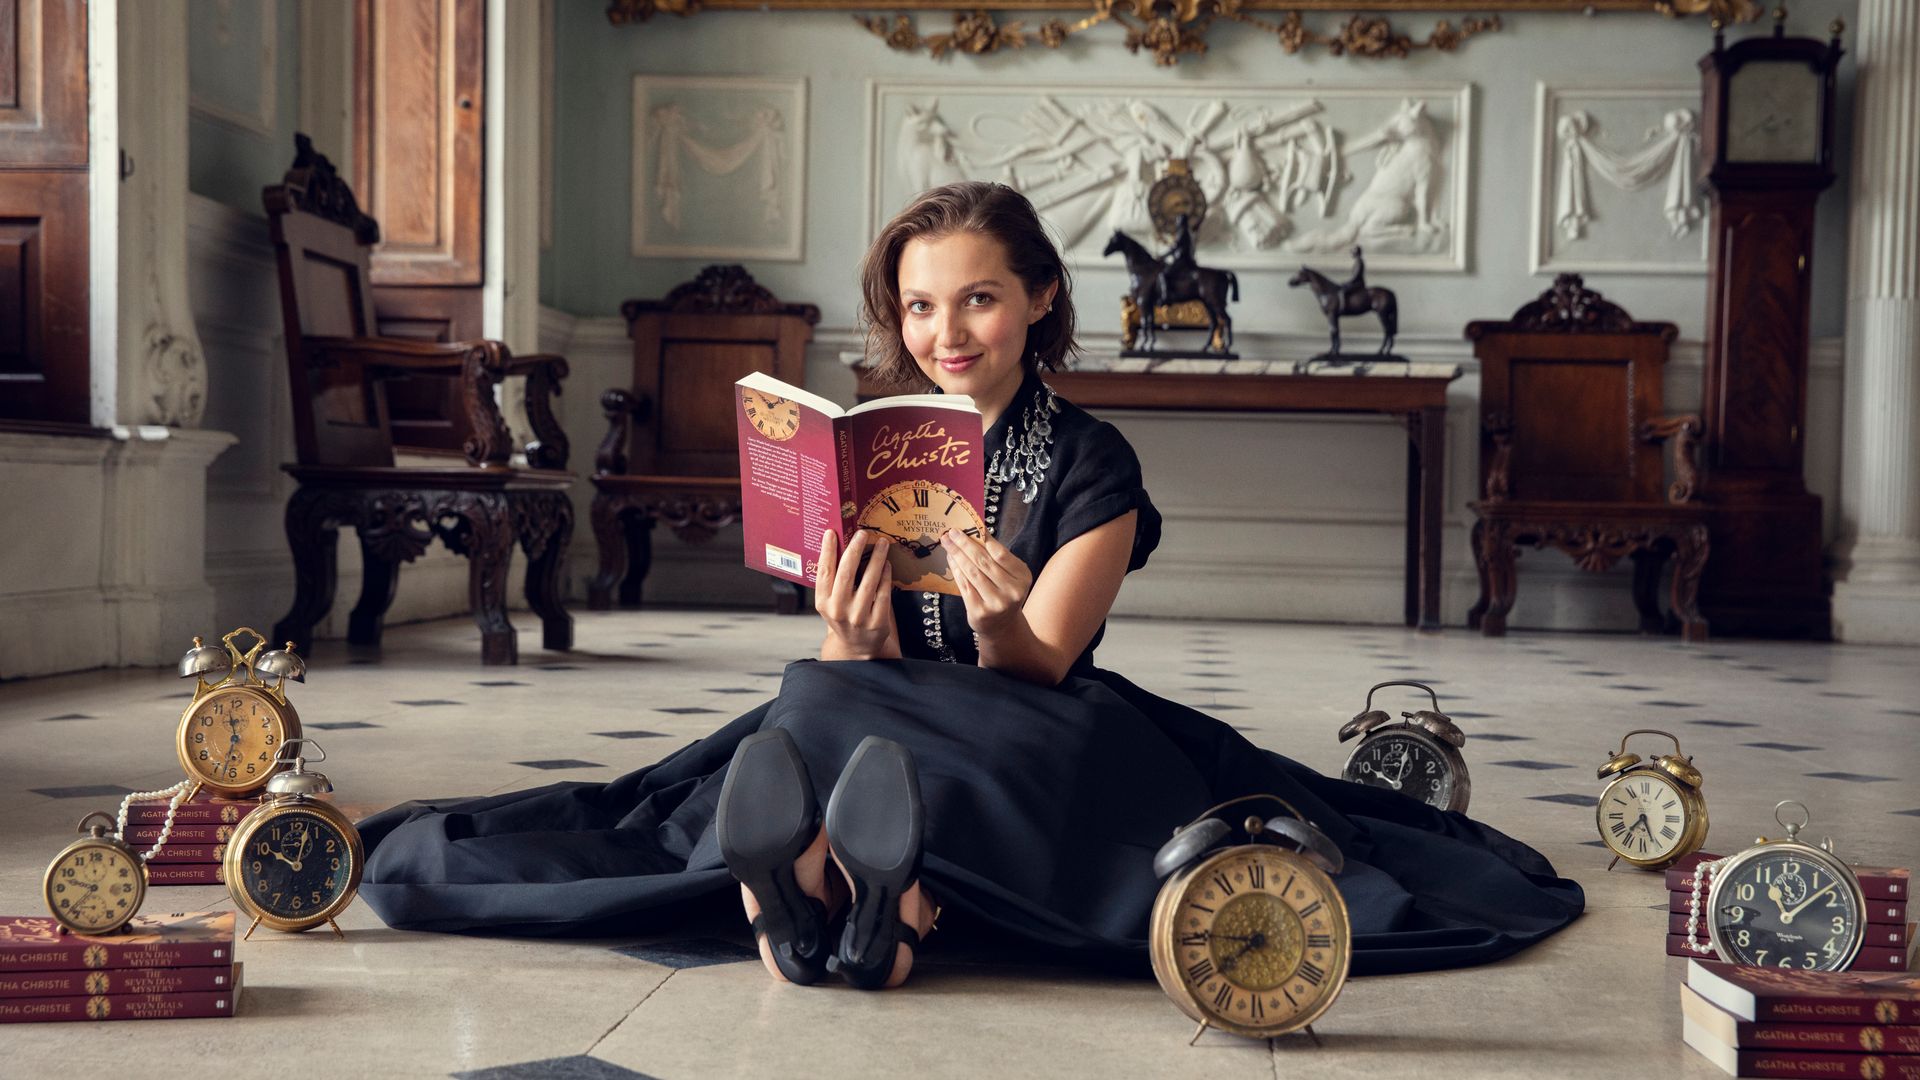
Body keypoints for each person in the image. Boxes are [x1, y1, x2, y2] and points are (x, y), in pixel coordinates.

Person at [355, 182, 1582, 991]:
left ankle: (854, 897)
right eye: (921, 305)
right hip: (875, 702)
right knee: (814, 695)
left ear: (1040, 298)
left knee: (910, 741)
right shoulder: (872, 448)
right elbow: (857, 667)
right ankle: (846, 899)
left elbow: (1044, 664)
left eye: (980, 298)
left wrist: (999, 619)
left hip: (1034, 717)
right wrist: (848, 638)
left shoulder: (1094, 461)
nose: (948, 333)